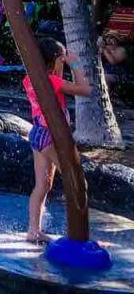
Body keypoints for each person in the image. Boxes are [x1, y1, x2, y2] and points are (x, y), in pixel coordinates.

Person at [24, 38, 91, 243]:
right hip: (50, 136)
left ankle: (33, 231)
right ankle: (78, 237)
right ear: (54, 60)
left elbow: (56, 82)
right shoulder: (52, 82)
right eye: (62, 60)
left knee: (42, 186)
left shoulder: (30, 79)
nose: (64, 63)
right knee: (77, 181)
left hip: (37, 133)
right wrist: (76, 64)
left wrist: (60, 64)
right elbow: (86, 90)